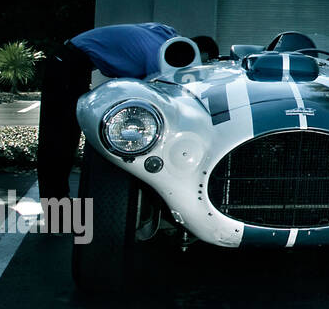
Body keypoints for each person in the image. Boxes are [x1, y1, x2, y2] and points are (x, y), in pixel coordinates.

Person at [35, 23, 216, 200]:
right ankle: (56, 213)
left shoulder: (165, 33)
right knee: (58, 137)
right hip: (67, 63)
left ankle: (58, 204)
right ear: (192, 52)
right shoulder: (159, 57)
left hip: (73, 61)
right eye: (198, 62)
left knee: (67, 136)